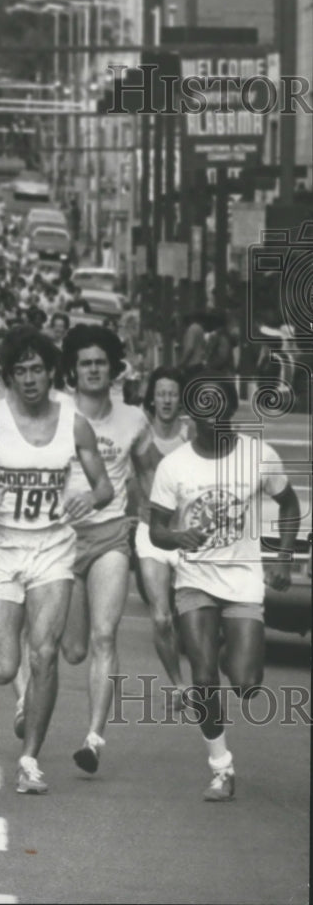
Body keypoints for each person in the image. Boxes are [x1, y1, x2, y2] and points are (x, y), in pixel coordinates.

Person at [0, 325, 113, 795]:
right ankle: (22, 700)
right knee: (2, 667)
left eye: (36, 368)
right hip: (2, 548)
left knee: (45, 654)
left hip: (53, 549)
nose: (28, 378)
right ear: (9, 375)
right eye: (19, 370)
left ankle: (29, 760)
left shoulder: (73, 422)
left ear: (50, 372)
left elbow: (103, 487)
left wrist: (90, 501)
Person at [149, 371, 300, 801]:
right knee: (202, 677)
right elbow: (157, 530)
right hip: (195, 581)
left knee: (247, 682)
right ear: (191, 414)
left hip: (242, 580)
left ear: (232, 411)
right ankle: (221, 767)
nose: (213, 414)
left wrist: (284, 559)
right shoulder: (174, 465)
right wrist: (177, 537)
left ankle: (223, 647)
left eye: (221, 406)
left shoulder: (258, 456)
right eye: (203, 406)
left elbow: (288, 504)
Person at [59, 324, 155, 774]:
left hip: (111, 535)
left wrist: (157, 523)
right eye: (85, 363)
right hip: (59, 539)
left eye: (101, 362)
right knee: (74, 649)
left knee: (104, 635)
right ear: (73, 371)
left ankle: (94, 738)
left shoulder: (134, 419)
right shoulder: (54, 412)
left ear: (114, 368)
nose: (94, 370)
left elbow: (152, 475)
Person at [134, 367, 191, 705]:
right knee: (160, 616)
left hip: (187, 535)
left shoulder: (192, 434)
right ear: (152, 398)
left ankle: (201, 676)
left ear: (180, 398)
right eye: (161, 393)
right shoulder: (138, 437)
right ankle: (178, 685)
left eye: (173, 393)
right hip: (150, 531)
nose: (167, 399)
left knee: (194, 618)